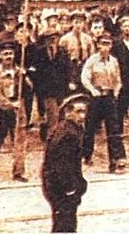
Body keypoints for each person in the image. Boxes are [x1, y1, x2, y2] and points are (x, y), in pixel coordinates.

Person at [0, 41, 32, 182]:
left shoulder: (19, 71)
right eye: (5, 54)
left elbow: (29, 89)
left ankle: (18, 171)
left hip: (17, 111)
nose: (8, 57)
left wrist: (25, 77)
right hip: (1, 112)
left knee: (19, 142)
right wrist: (10, 104)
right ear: (0, 56)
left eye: (10, 53)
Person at [41, 93, 89, 233]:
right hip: (61, 187)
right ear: (68, 112)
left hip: (55, 185)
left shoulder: (66, 128)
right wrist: (70, 188)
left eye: (84, 111)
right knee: (65, 224)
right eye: (78, 112)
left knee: (62, 224)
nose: (82, 116)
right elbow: (62, 165)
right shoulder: (68, 134)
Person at [80, 34, 127, 173]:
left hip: (109, 97)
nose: (105, 47)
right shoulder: (92, 61)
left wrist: (116, 92)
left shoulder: (113, 61)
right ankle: (86, 154)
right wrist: (92, 90)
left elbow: (118, 79)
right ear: (98, 45)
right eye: (103, 44)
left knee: (113, 128)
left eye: (108, 44)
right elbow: (85, 77)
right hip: (96, 97)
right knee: (90, 128)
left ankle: (116, 159)